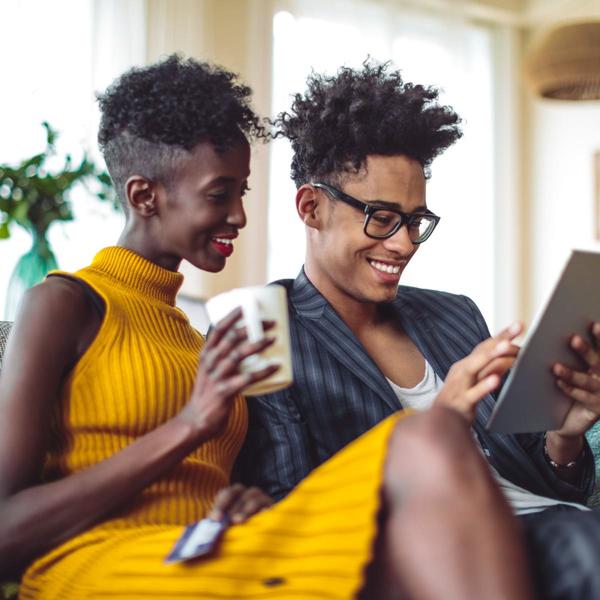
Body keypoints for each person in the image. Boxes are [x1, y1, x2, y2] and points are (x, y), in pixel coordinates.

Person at [0, 55, 535, 600]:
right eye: (218, 194)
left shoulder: (196, 336)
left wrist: (236, 504)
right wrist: (188, 426)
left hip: (211, 549)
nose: (239, 216)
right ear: (144, 196)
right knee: (425, 435)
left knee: (420, 535)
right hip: (101, 564)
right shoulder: (64, 303)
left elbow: (214, 483)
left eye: (242, 193)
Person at [237, 62, 600, 599]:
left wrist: (565, 437)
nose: (404, 244)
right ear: (310, 208)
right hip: (438, 553)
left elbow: (542, 479)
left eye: (415, 221)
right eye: (381, 217)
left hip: (551, 522)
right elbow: (289, 506)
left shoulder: (455, 314)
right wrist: (441, 423)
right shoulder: (269, 331)